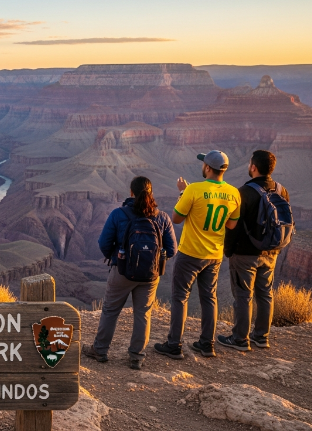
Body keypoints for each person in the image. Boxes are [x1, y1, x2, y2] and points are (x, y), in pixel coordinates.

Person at [82, 177, 176, 370]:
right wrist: (155, 260)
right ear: (151, 192)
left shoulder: (118, 214)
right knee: (143, 314)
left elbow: (103, 243)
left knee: (110, 310)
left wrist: (117, 258)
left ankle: (99, 351)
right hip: (150, 276)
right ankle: (136, 356)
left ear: (131, 192)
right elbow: (172, 249)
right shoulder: (162, 217)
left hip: (122, 272)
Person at [155, 151, 241, 359]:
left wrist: (184, 194)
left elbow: (176, 218)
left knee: (180, 298)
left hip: (191, 253)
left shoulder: (194, 189)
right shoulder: (234, 193)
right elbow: (231, 224)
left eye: (204, 164)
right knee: (209, 298)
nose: (202, 166)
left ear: (208, 168)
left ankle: (174, 344)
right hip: (214, 255)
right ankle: (206, 344)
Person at [218, 150, 289, 351]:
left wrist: (228, 250)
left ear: (253, 167)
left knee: (243, 295)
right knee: (265, 294)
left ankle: (240, 339)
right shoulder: (282, 191)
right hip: (270, 252)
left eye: (250, 163)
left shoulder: (244, 192)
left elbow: (234, 225)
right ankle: (261, 337)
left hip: (245, 253)